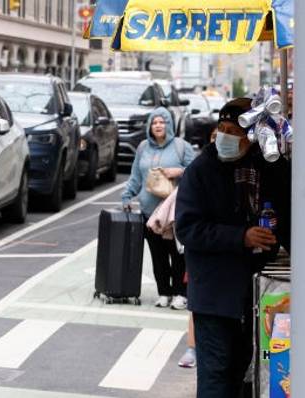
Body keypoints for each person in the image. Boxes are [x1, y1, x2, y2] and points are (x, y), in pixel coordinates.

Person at [175, 97, 291, 398]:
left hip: (250, 295)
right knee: (215, 376)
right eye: (222, 128)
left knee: (241, 372)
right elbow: (188, 229)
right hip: (213, 296)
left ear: (250, 138)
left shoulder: (259, 166)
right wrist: (241, 237)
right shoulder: (200, 171)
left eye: (234, 131)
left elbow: (285, 207)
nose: (226, 136)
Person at [122, 107, 194, 310]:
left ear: (169, 125)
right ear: (149, 126)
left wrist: (178, 171)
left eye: (162, 122)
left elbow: (196, 172)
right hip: (150, 213)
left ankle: (181, 293)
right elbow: (136, 176)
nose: (158, 125)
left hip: (174, 213)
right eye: (154, 122)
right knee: (158, 255)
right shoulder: (143, 147)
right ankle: (164, 292)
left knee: (178, 255)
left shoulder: (182, 147)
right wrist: (127, 195)